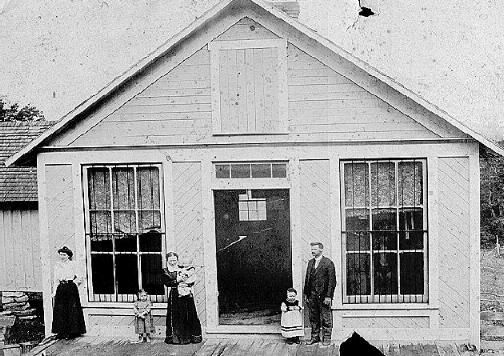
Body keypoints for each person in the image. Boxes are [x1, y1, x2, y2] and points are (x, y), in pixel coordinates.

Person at [161, 252, 202, 344]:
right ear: (167, 261)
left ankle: (191, 337)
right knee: (175, 316)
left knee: (188, 314)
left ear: (177, 260)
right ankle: (176, 339)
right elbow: (167, 283)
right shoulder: (165, 271)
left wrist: (188, 283)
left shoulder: (183, 268)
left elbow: (191, 279)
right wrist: (178, 280)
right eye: (170, 261)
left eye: (174, 260)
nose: (173, 262)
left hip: (186, 294)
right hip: (175, 295)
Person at [303, 242, 336, 346]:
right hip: (312, 295)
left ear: (321, 250)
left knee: (326, 317)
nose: (312, 251)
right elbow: (307, 279)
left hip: (323, 296)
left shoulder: (328, 263)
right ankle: (314, 337)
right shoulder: (310, 263)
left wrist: (328, 296)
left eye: (315, 249)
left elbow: (332, 281)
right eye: (312, 249)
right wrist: (306, 294)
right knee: (313, 317)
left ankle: (326, 338)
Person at [51, 246, 86, 340]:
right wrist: (54, 291)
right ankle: (61, 332)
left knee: (71, 309)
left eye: (64, 255)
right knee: (60, 309)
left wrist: (73, 283)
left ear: (68, 256)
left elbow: (80, 277)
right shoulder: (57, 265)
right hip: (61, 288)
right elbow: (55, 280)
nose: (62, 256)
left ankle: (72, 332)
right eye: (61, 255)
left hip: (70, 288)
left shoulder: (73, 264)